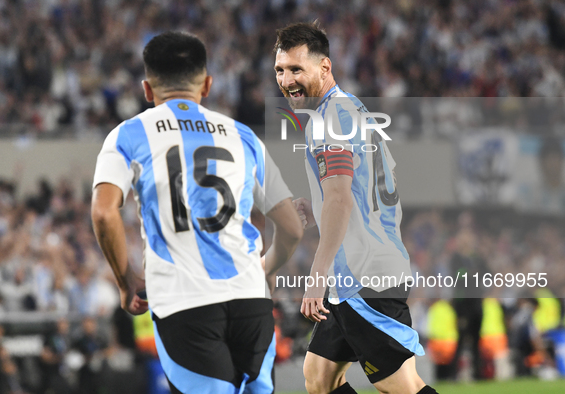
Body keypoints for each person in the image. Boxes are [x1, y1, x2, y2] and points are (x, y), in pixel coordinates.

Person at [91, 31, 303, 394]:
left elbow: (103, 212)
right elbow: (292, 227)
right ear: (207, 85)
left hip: (184, 301)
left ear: (146, 89)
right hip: (250, 300)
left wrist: (126, 280)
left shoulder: (128, 135)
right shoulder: (243, 137)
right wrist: (265, 269)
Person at [273, 22, 438, 394]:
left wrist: (316, 273)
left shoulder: (330, 119)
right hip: (360, 270)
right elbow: (373, 187)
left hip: (363, 276)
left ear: (325, 67)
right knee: (319, 377)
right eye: (281, 70)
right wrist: (317, 207)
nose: (286, 80)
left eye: (297, 69)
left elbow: (341, 197)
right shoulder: (351, 109)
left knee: (401, 387)